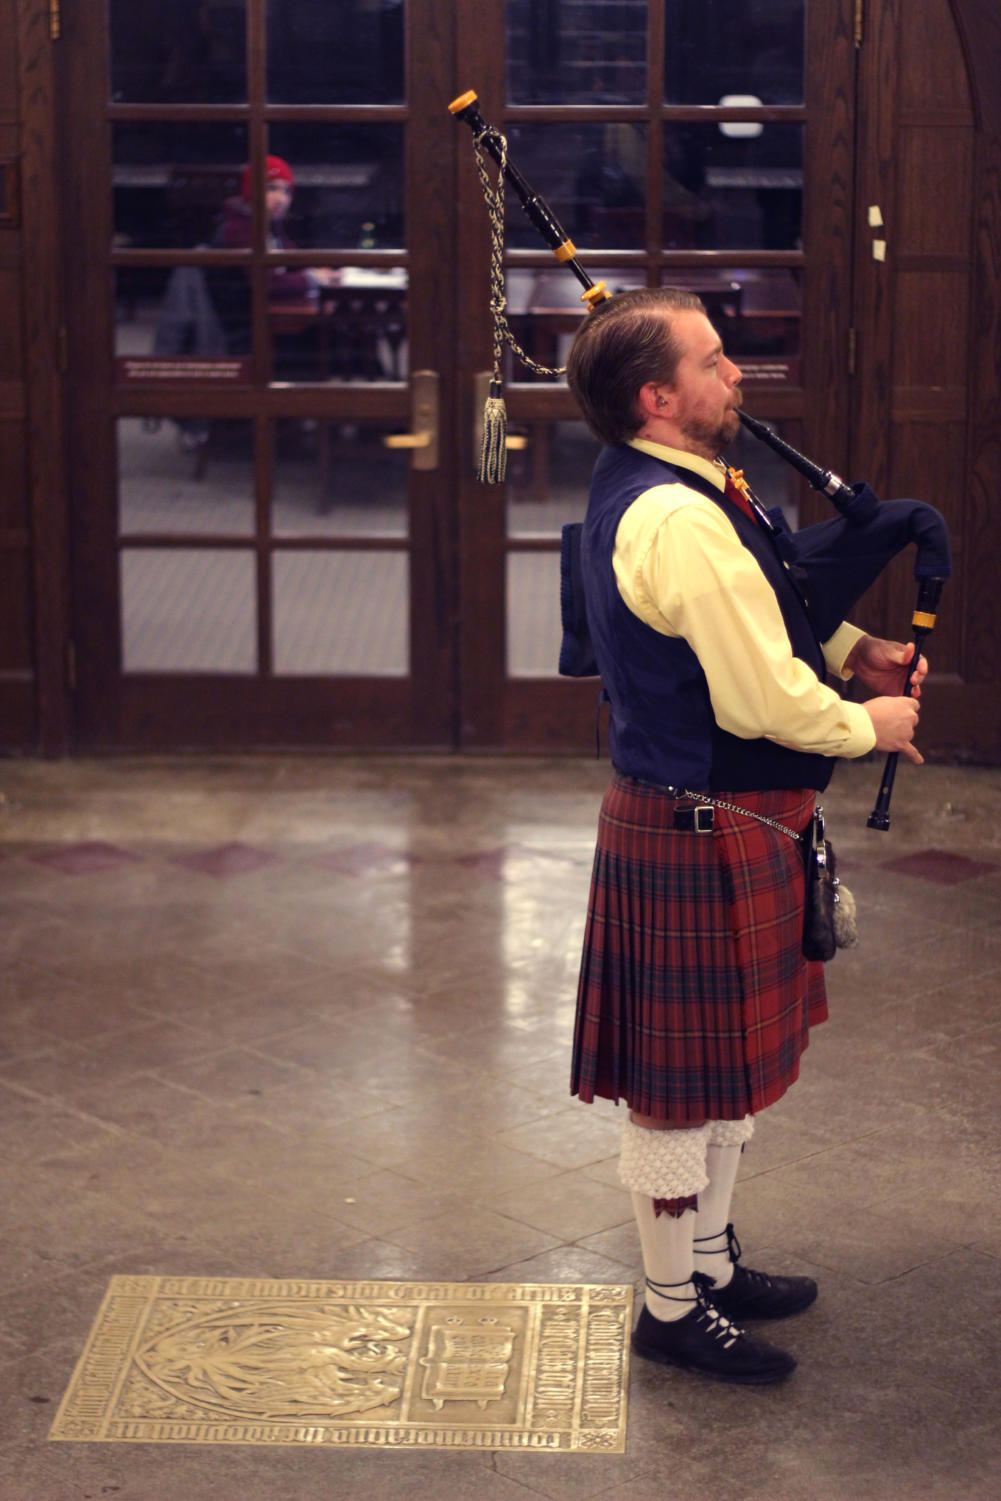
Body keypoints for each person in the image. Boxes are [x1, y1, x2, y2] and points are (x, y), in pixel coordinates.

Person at [565, 287, 925, 1385]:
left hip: (723, 825)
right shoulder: (672, 514)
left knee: (723, 1076)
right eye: (713, 363)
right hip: (697, 827)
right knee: (679, 1090)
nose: (737, 377)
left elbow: (758, 608)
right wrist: (869, 722)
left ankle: (710, 1261)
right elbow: (759, 695)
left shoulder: (688, 487)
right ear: (656, 396)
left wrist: (852, 642)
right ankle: (668, 1306)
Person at [214, 155, 337, 301]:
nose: (282, 199)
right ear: (252, 191)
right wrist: (313, 277)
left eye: (287, 191)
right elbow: (268, 283)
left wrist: (330, 269)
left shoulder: (269, 224)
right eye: (272, 188)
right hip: (249, 318)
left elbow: (294, 259)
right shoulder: (238, 228)